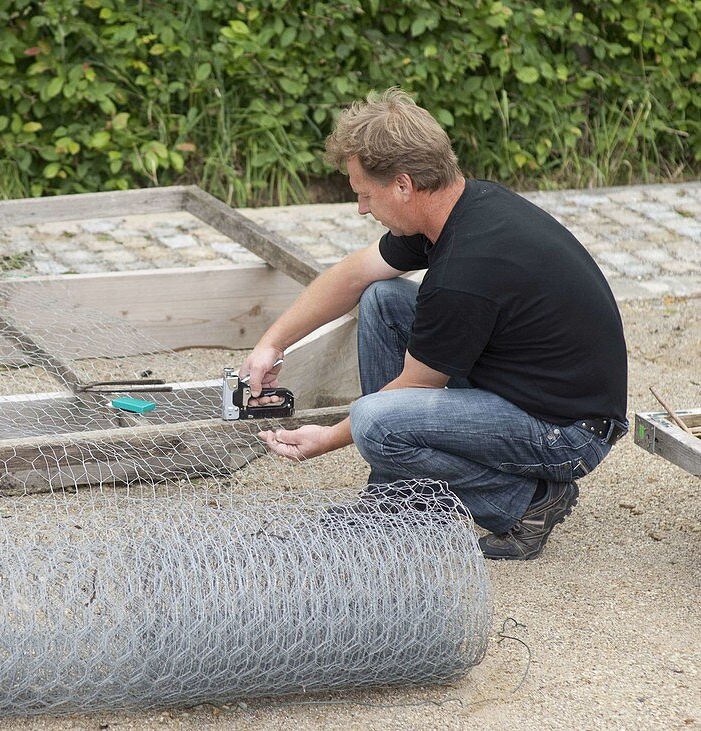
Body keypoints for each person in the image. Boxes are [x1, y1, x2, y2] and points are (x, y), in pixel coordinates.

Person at [241, 88, 628, 560]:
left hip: (569, 433)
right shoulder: (458, 207)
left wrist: (329, 437)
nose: (362, 209)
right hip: (534, 389)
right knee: (383, 299)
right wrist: (270, 345)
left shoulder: (463, 271)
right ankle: (399, 501)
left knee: (374, 422)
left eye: (365, 194)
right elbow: (354, 274)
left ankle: (525, 502)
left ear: (403, 185)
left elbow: (411, 389)